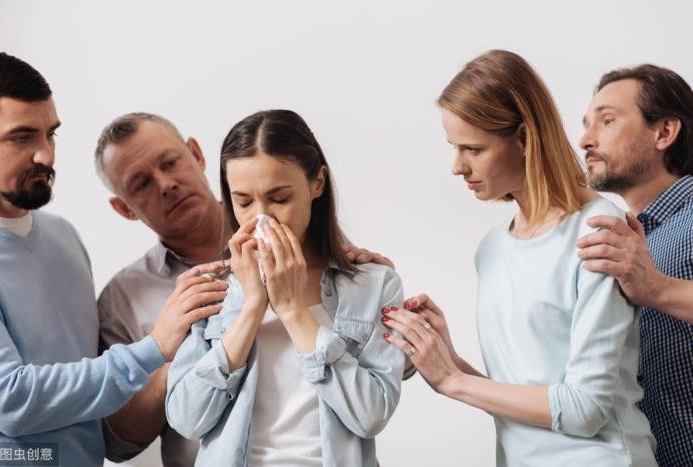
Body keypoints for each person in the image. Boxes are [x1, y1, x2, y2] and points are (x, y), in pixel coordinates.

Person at [382, 50, 656, 466]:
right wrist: (448, 357)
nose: (457, 166)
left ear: (525, 138)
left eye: (473, 149)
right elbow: (525, 401)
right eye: (454, 147)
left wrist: (453, 380)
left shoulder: (599, 231)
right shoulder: (492, 249)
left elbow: (585, 409)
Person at [94, 112, 398, 466]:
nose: (261, 218)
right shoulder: (180, 293)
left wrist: (387, 324)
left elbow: (375, 396)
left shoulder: (362, 274)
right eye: (244, 202)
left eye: (170, 162)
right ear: (123, 208)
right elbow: (138, 435)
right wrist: (172, 346)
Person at [0, 52, 225, 467]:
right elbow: (10, 401)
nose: (46, 156)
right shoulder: (124, 297)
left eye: (50, 135)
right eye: (22, 137)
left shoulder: (64, 238)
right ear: (124, 207)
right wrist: (157, 348)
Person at [576, 64, 693, 465]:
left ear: (664, 132)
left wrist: (658, 289)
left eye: (607, 120)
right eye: (586, 125)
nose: (585, 140)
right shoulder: (626, 241)